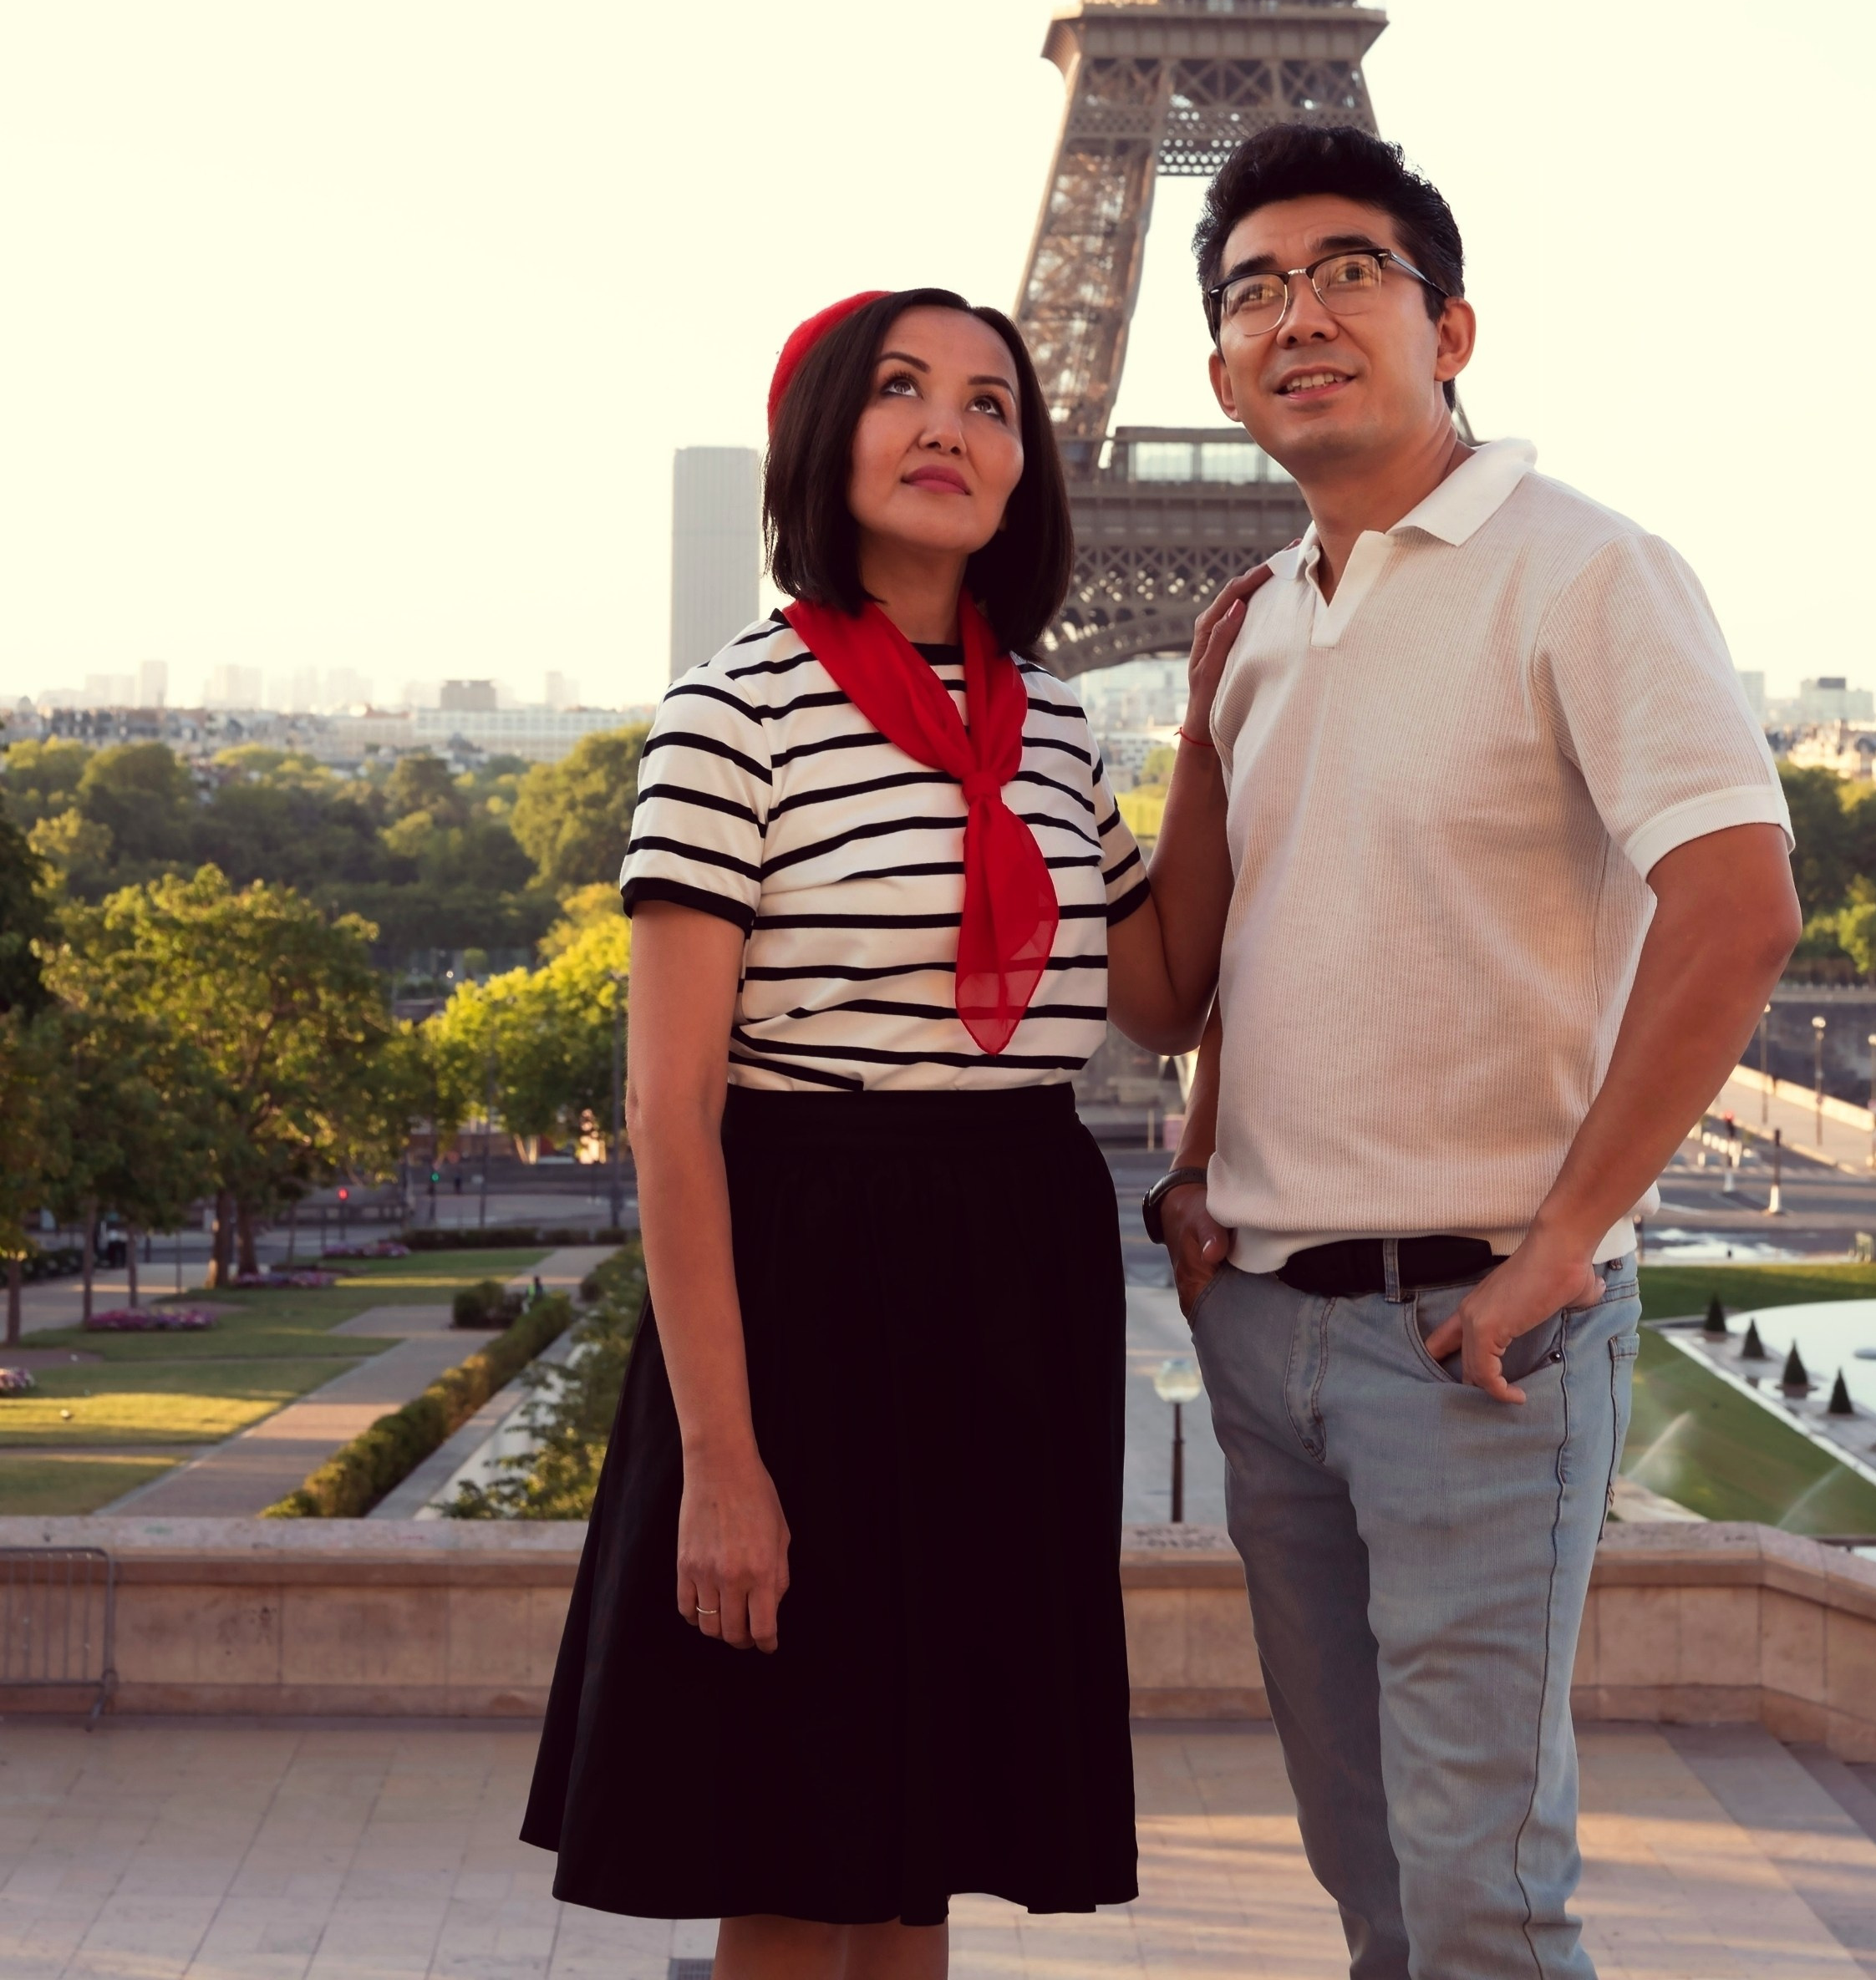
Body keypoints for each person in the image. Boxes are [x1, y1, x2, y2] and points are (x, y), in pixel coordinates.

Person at [525, 284, 1249, 1975]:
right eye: (901, 389)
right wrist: (722, 1462)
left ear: (1027, 469)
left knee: (923, 1843)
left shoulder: (1059, 735)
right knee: (791, 1839)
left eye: (992, 402)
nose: (950, 425)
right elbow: (670, 1111)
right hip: (810, 1273)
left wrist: (1207, 739)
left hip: (1012, 1272)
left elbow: (1163, 992)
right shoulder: (735, 716)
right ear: (820, 441)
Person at [1146, 125, 1800, 1980]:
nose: (1301, 316)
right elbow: (1255, 949)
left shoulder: (1588, 570)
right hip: (1269, 1330)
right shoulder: (1264, 626)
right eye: (1255, 292)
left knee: (1483, 1906)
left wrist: (1564, 1240)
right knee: (1372, 1882)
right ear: (1217, 372)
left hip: (1473, 1343)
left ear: (1454, 329)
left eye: (1349, 272)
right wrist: (1201, 1161)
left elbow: (1741, 910)